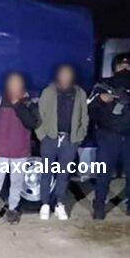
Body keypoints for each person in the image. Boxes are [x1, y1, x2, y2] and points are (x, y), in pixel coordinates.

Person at [89, 54, 130, 221]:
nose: (124, 69)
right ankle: (99, 206)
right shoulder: (103, 86)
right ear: (114, 68)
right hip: (108, 136)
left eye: (128, 66)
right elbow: (88, 106)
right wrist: (101, 99)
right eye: (120, 66)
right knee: (103, 174)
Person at [0, 72, 40, 227]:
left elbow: (32, 123)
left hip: (20, 152)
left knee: (16, 184)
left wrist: (18, 104)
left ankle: (12, 210)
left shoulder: (28, 102)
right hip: (0, 151)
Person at [35, 64, 89, 221]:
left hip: (69, 141)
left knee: (64, 174)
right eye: (63, 74)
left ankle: (60, 204)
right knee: (46, 173)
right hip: (50, 139)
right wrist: (42, 135)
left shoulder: (79, 93)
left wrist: (79, 137)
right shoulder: (48, 91)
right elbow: (39, 114)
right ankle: (45, 204)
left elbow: (84, 116)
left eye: (68, 74)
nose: (65, 77)